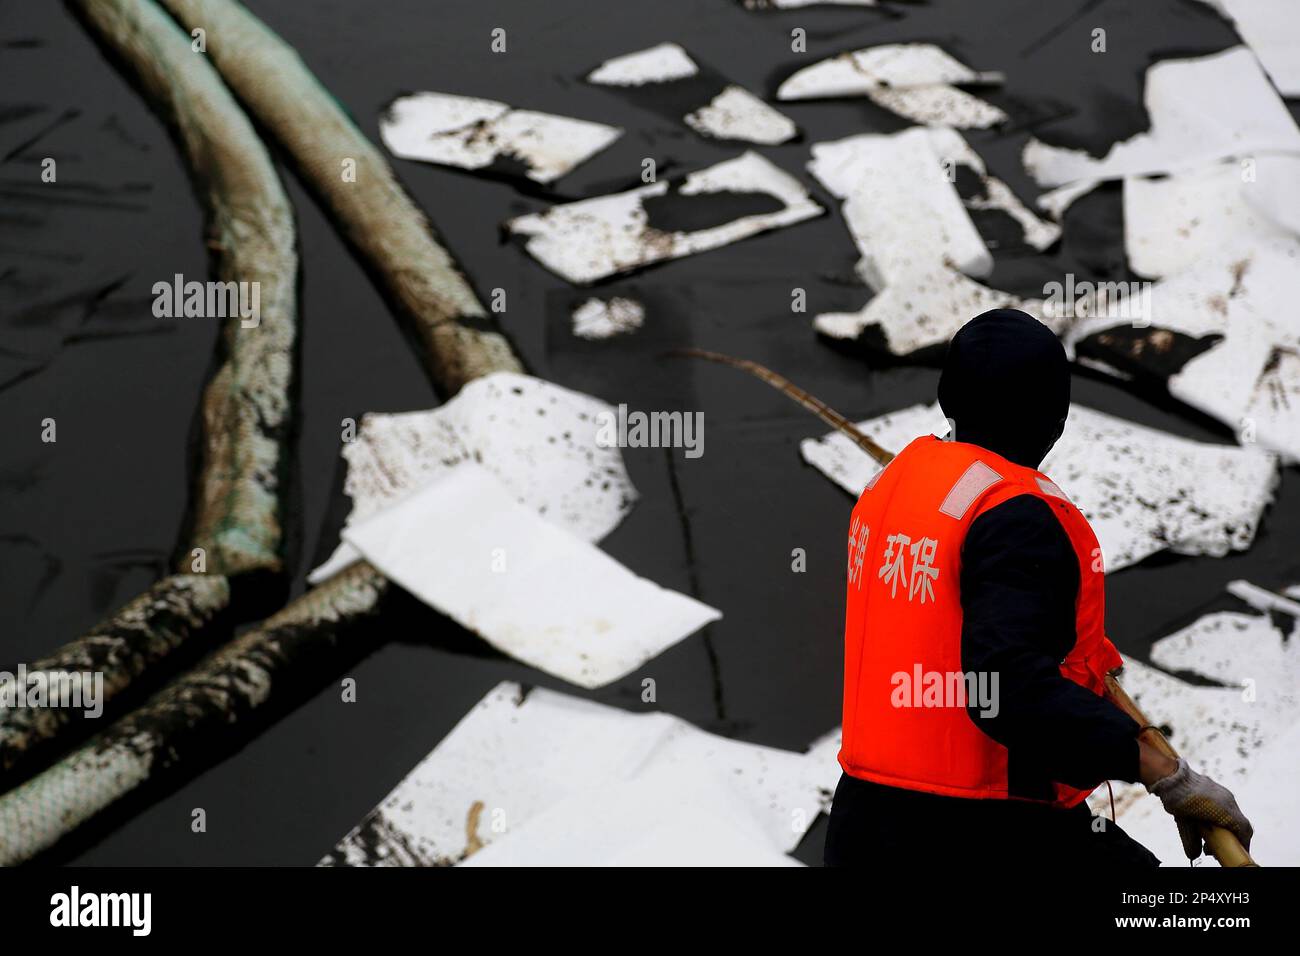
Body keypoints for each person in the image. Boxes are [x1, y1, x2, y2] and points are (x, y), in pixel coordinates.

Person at [824, 308, 1253, 868]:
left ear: (948, 396)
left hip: (864, 824)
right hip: (983, 832)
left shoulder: (892, 488)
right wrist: (1163, 775)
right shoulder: (1013, 514)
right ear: (1054, 415)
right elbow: (1004, 689)